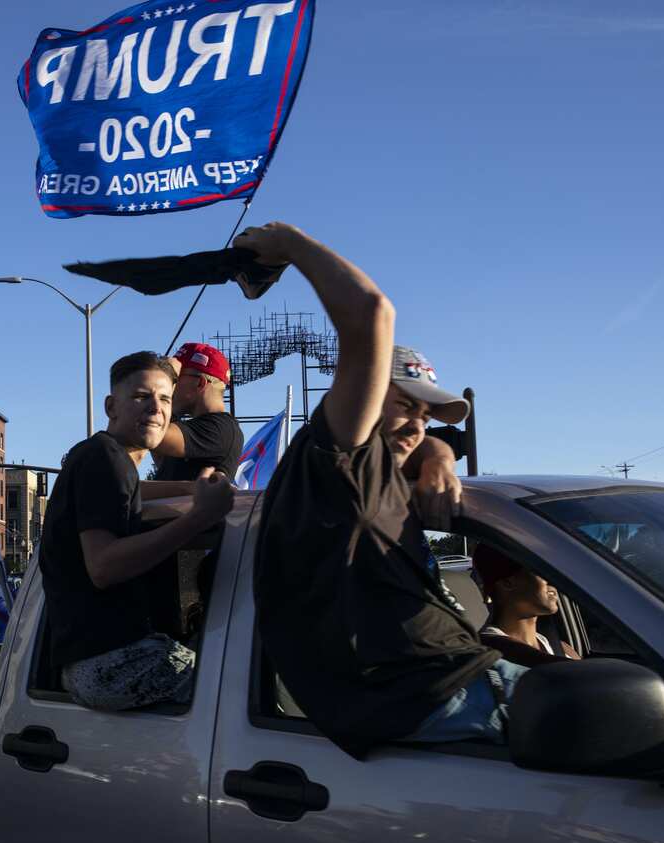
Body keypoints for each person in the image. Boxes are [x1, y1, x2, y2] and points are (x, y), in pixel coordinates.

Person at [245, 222, 527, 758]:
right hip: (427, 698)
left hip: (459, 678)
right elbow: (374, 313)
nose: (417, 425)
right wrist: (288, 243)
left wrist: (438, 453)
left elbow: (419, 439)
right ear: (365, 394)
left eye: (426, 414)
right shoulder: (338, 460)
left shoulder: (380, 471)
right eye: (405, 405)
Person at [39, 351, 235, 711]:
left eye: (165, 399)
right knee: (238, 686)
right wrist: (197, 518)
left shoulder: (105, 457)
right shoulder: (106, 458)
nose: (156, 409)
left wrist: (193, 490)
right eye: (141, 397)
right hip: (110, 662)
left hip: (95, 662)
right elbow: (104, 567)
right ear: (111, 406)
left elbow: (131, 492)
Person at [473, 544, 581, 665]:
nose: (552, 579)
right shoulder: (492, 654)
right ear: (507, 583)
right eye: (540, 571)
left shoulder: (560, 648)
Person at [151, 342, 244, 481]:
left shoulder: (222, 429)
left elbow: (151, 433)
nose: (170, 385)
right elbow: (154, 444)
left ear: (200, 383)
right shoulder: (192, 429)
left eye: (175, 378)